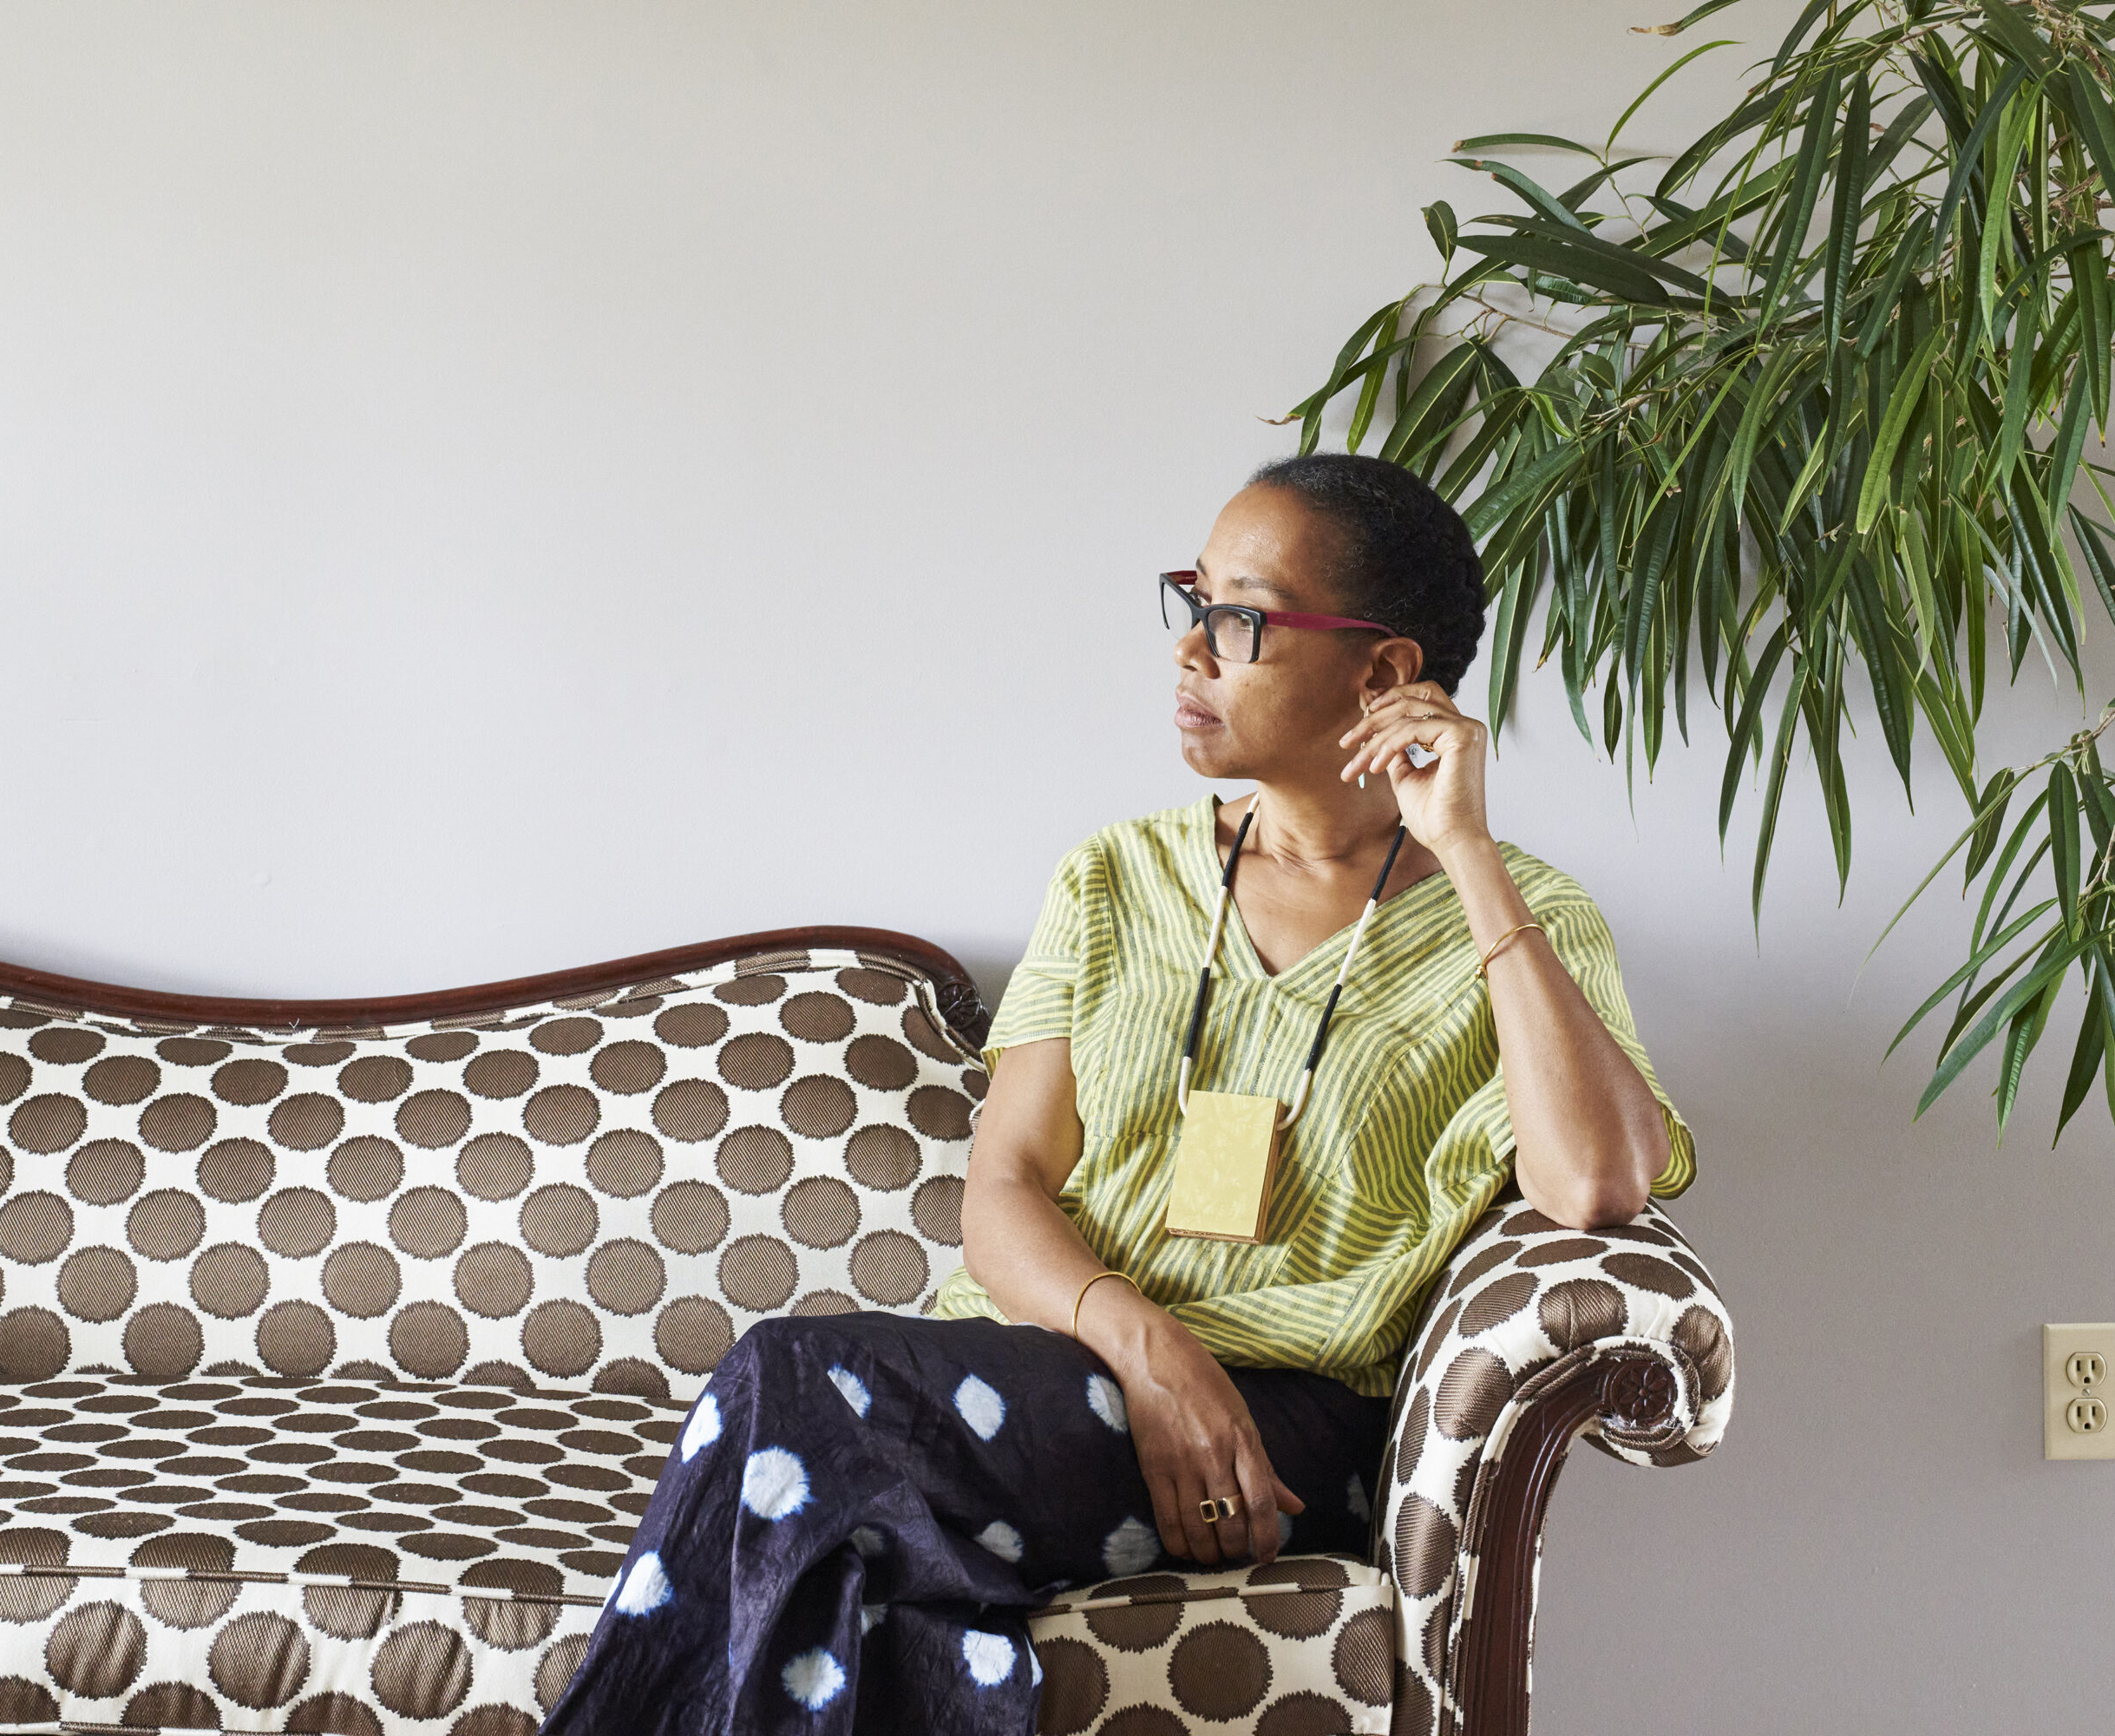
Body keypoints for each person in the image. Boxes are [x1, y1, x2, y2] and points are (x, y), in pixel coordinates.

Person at [539, 453, 1694, 1736]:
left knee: (789, 1382)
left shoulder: (1523, 918)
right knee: (875, 1577)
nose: (1192, 653)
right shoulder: (1113, 879)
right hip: (1068, 1363)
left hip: (1285, 1428)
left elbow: (1595, 1179)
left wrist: (1467, 853)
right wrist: (1149, 1350)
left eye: (1240, 618)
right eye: (1190, 602)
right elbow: (1002, 1190)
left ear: (1381, 673)